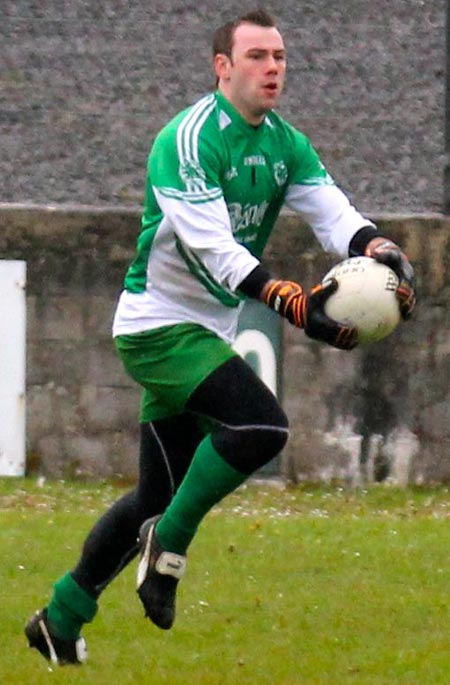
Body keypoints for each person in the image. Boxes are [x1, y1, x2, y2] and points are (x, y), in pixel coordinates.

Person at [25, 8, 416, 666]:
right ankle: (167, 550)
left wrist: (374, 243)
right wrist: (293, 302)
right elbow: (215, 251)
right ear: (222, 66)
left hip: (205, 328)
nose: (273, 68)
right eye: (259, 56)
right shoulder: (187, 139)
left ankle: (60, 618)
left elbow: (331, 211)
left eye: (281, 57)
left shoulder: (286, 143)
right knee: (261, 427)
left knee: (154, 491)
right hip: (158, 327)